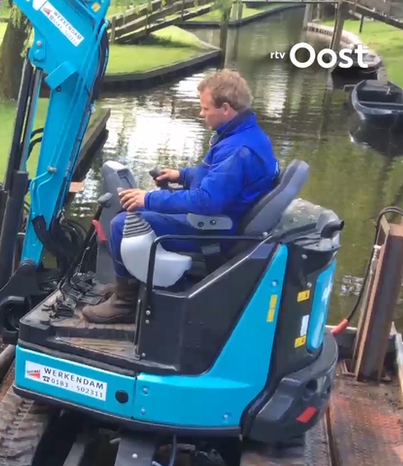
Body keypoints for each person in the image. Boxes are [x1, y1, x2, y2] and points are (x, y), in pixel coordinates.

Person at [82, 68, 280, 324]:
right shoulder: (246, 136)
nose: (201, 113)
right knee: (135, 213)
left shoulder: (237, 149)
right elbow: (219, 177)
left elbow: (206, 201)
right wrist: (181, 175)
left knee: (123, 223)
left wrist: (148, 198)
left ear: (227, 109)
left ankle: (125, 302)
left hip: (215, 230)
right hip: (224, 220)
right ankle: (127, 284)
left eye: (206, 108)